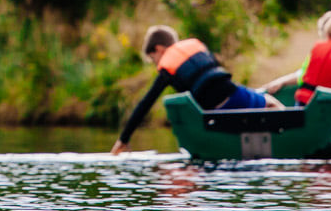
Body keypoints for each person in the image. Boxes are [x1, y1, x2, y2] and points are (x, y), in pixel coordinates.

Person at [110, 25, 283, 154]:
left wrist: (123, 139)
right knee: (270, 103)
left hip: (213, 115)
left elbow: (145, 104)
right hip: (234, 94)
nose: (155, 64)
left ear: (159, 49)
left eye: (153, 58)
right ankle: (288, 135)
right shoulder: (196, 46)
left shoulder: (166, 69)